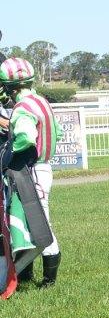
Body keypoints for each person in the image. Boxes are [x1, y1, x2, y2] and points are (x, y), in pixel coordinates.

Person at [0, 57, 62, 287]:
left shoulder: (22, 107)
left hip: (31, 170)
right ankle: (27, 274)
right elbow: (59, 132)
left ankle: (48, 280)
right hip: (45, 167)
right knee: (31, 223)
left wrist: (10, 152)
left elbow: (26, 137)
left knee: (40, 224)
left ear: (10, 86)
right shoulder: (41, 101)